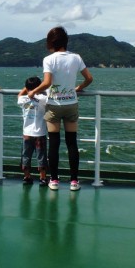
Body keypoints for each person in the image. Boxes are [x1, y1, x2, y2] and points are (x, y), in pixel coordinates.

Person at [27, 26, 93, 191]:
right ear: (66, 41)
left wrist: (33, 91)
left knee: (54, 144)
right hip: (71, 104)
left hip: (54, 106)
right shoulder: (76, 58)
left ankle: (54, 180)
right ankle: (74, 181)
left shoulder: (49, 59)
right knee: (72, 143)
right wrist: (78, 88)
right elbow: (89, 78)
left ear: (51, 42)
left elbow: (47, 82)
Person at [17, 76, 49, 186]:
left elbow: (19, 95)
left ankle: (27, 176)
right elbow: (48, 92)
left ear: (27, 87)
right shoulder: (43, 99)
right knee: (41, 156)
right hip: (40, 132)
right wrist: (40, 88)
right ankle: (43, 178)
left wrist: (27, 89)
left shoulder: (23, 99)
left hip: (26, 133)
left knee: (26, 155)